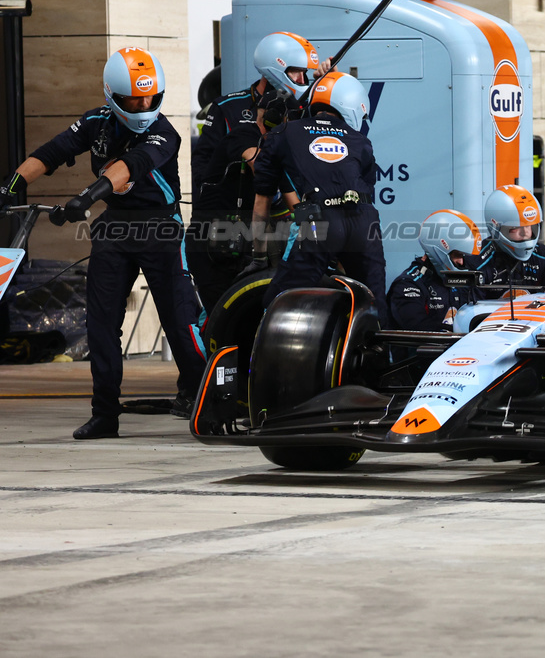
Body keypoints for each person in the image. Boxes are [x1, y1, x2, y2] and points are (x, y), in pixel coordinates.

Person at [0, 48, 207, 438]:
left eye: (151, 97)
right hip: (114, 229)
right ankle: (105, 415)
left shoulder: (165, 132)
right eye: (135, 98)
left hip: (161, 228)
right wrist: (13, 184)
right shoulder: (96, 121)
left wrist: (85, 199)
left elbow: (128, 168)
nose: (145, 105)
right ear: (113, 96)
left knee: (181, 321)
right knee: (101, 324)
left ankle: (207, 399)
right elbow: (52, 152)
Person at [185, 32, 327, 309]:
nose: (302, 81)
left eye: (305, 75)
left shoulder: (303, 108)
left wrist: (324, 88)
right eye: (297, 73)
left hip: (274, 230)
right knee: (223, 315)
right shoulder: (229, 109)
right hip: (226, 231)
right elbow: (206, 170)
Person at [245, 70, 388, 322]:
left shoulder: (283, 134)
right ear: (354, 106)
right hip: (365, 224)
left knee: (278, 303)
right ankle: (379, 358)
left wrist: (258, 256)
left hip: (319, 222)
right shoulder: (360, 140)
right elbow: (361, 197)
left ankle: (271, 358)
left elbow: (262, 201)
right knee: (373, 306)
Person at [388, 209, 482, 332]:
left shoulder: (465, 278)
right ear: (438, 249)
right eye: (457, 255)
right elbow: (418, 334)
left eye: (464, 256)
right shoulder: (408, 285)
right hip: (429, 350)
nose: (462, 262)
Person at [474, 184, 545, 296]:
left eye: (530, 226)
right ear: (495, 228)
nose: (526, 233)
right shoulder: (478, 263)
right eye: (515, 228)